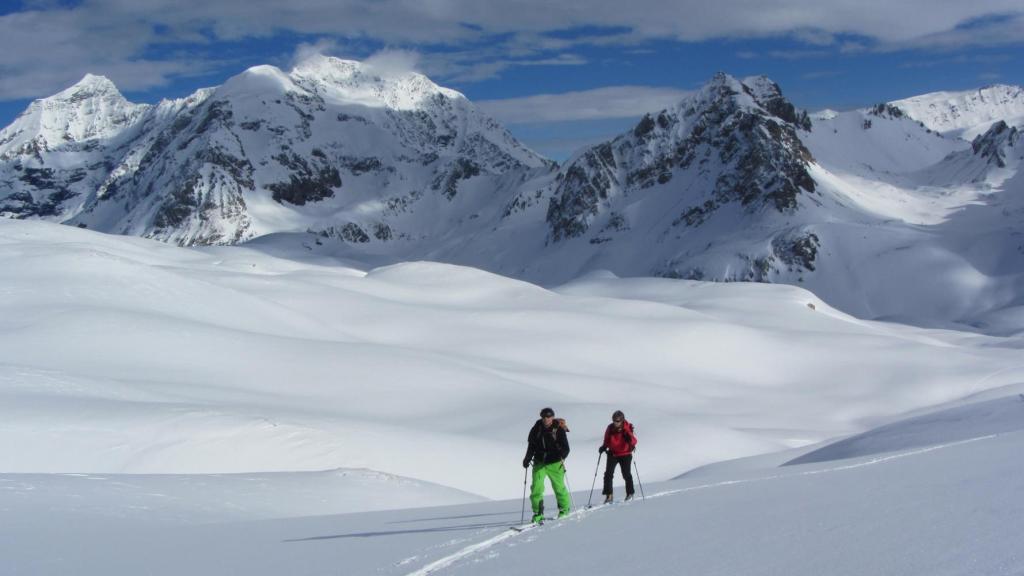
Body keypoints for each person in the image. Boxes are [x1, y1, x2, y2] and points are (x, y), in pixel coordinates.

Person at [523, 407, 571, 523]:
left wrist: (562, 456)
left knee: (559, 487)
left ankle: (564, 509)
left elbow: (566, 448)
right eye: (544, 417)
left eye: (548, 417)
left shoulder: (558, 430)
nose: (546, 419)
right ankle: (538, 513)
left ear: (552, 417)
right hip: (539, 462)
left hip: (555, 463)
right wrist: (527, 458)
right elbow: (531, 445)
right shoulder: (536, 429)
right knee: (536, 488)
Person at [599, 410, 636, 503]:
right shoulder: (610, 428)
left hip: (626, 454)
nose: (615, 422)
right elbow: (606, 439)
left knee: (626, 474)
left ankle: (630, 493)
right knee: (608, 474)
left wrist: (629, 439)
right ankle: (609, 495)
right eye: (614, 420)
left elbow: (634, 441)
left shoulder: (627, 427)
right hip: (613, 453)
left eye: (618, 421)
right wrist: (604, 447)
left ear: (622, 420)